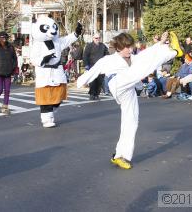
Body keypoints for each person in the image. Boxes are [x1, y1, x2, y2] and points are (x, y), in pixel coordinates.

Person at [77, 31, 182, 170]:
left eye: (131, 47)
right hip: (117, 83)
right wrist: (81, 82)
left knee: (131, 121)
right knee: (141, 69)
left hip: (129, 89)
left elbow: (147, 54)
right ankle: (174, 52)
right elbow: (94, 70)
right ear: (119, 47)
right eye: (127, 47)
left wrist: (160, 43)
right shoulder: (108, 60)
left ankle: (120, 155)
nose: (130, 49)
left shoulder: (132, 57)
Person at [0, 31, 17, 114]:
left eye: (5, 38)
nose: (3, 39)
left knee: (7, 90)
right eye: (2, 38)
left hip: (8, 71)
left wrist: (13, 67)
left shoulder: (10, 47)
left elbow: (14, 59)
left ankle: (5, 107)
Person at [83, 33, 109, 100]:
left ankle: (97, 94)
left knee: (99, 81)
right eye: (96, 38)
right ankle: (92, 94)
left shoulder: (103, 46)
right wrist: (86, 65)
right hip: (92, 66)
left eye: (99, 38)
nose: (97, 39)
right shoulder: (89, 46)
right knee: (92, 81)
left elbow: (107, 55)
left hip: (101, 67)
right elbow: (85, 56)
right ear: (93, 38)